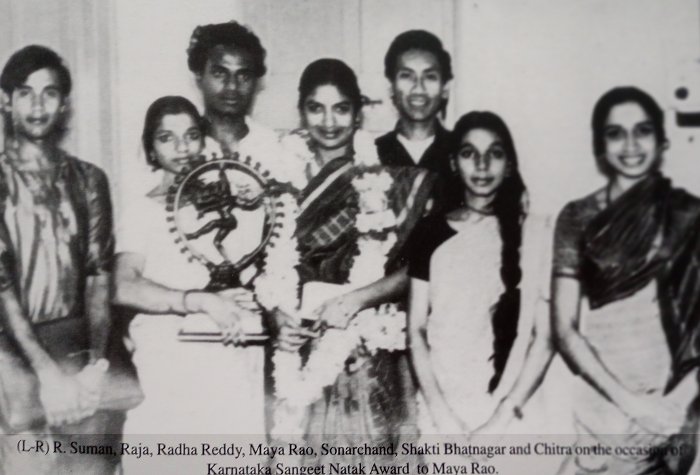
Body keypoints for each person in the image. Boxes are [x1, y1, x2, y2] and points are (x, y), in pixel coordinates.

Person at [483, 87, 700, 474]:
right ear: (600, 145)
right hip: (601, 405)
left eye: (643, 130)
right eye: (616, 133)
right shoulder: (577, 218)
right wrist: (631, 404)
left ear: (662, 140)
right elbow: (564, 330)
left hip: (675, 407)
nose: (630, 144)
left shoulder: (689, 217)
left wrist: (672, 409)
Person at [274, 58, 434, 464]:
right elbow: (264, 269)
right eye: (316, 107)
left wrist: (358, 300)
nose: (329, 122)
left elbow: (418, 268)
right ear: (301, 110)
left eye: (341, 108)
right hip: (298, 353)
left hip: (367, 355)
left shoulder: (389, 182)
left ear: (357, 113)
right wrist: (277, 319)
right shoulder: (277, 178)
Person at [113, 96, 264, 443]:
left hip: (228, 352)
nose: (182, 147)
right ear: (150, 149)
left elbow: (249, 269)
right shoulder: (142, 211)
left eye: (191, 135)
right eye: (167, 138)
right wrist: (199, 301)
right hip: (169, 361)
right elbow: (124, 286)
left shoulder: (225, 202)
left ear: (204, 140)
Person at [0, 45, 121, 474]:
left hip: (80, 350)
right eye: (25, 93)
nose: (37, 105)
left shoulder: (89, 179)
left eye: (49, 93)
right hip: (13, 353)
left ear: (65, 104)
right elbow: (3, 287)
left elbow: (99, 276)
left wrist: (94, 366)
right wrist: (47, 374)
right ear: (5, 100)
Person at [407, 111, 527, 441]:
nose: (483, 165)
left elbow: (534, 334)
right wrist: (440, 413)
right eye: (469, 153)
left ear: (510, 166)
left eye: (495, 154)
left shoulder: (529, 235)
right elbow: (415, 330)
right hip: (442, 404)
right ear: (453, 162)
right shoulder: (430, 231)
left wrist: (500, 417)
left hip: (505, 408)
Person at [375, 30, 462, 211]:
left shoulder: (461, 151)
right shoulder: (371, 154)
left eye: (430, 76)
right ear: (391, 87)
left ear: (445, 88)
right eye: (406, 75)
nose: (418, 88)